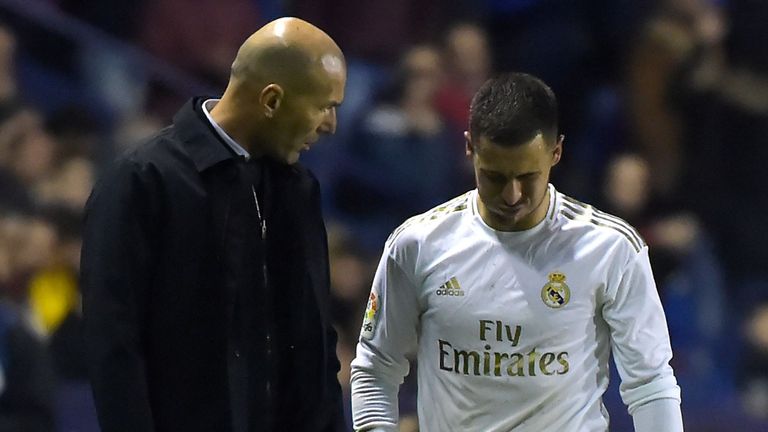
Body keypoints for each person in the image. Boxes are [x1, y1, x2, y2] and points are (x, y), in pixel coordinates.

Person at [350, 73, 683, 431]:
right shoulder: (418, 245)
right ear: (469, 148)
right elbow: (376, 366)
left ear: (556, 152)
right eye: (494, 176)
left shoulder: (610, 248)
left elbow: (650, 381)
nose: (512, 195)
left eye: (527, 176)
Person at [81, 17, 347, 432]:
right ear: (272, 100)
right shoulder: (143, 179)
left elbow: (316, 341)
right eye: (324, 106)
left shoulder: (299, 189)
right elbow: (114, 346)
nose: (330, 125)